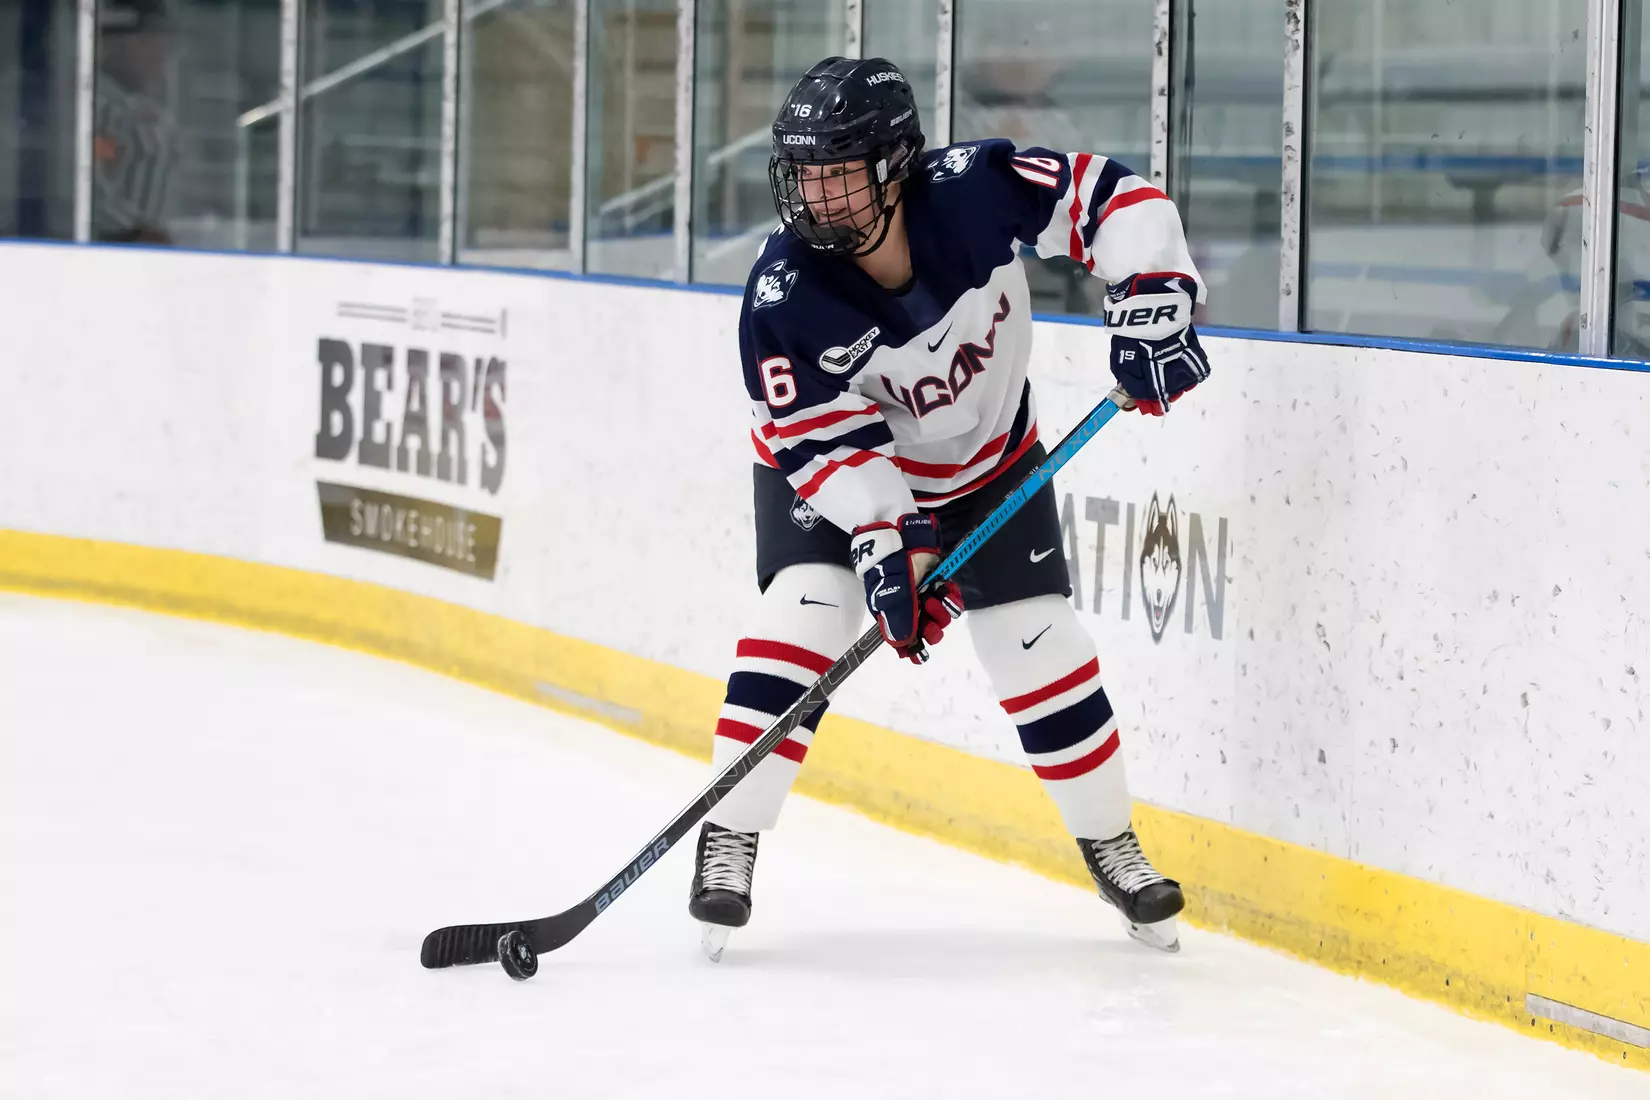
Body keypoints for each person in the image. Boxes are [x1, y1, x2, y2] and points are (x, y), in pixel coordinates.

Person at [688, 56, 1212, 959]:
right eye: (803, 173)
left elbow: (1111, 200)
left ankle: (1110, 844)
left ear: (897, 167)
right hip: (830, 472)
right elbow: (829, 448)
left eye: (838, 170)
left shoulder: (972, 193)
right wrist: (894, 544)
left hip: (992, 461)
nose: (815, 195)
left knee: (1038, 639)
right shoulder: (785, 296)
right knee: (809, 613)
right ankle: (729, 831)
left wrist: (1152, 293)